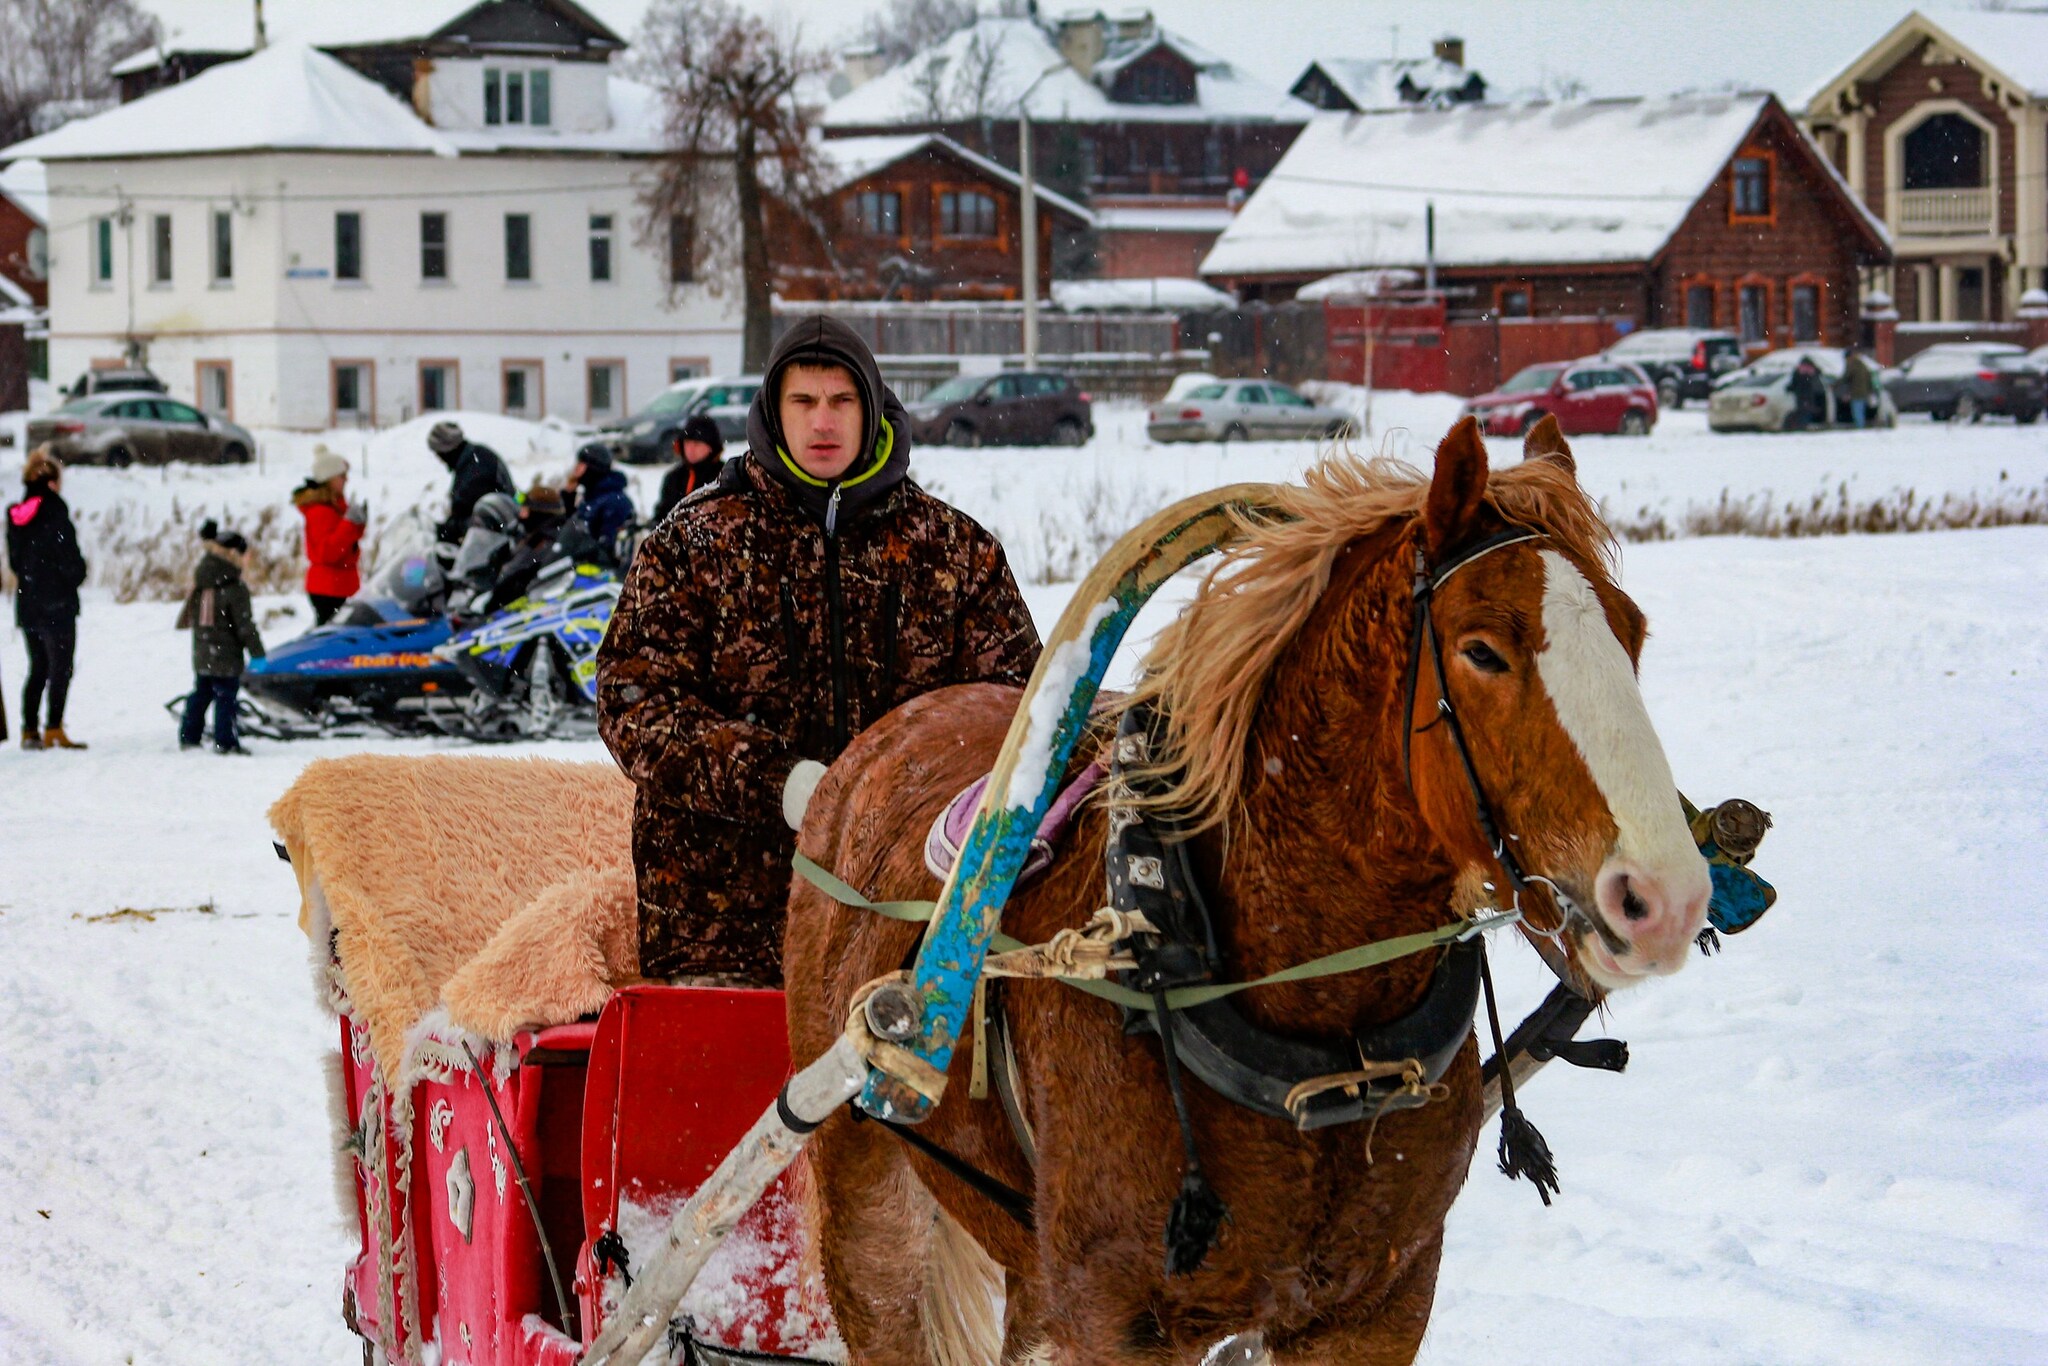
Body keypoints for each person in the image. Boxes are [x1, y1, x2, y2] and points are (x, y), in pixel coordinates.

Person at [597, 314, 1042, 984]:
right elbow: (635, 706)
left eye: (841, 402)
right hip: (724, 930)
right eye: (802, 402)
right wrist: (781, 784)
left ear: (873, 409)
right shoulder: (694, 544)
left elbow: (1018, 712)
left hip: (909, 923)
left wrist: (913, 794)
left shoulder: (953, 552)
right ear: (774, 414)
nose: (823, 423)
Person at [6, 447, 88, 751]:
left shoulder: (17, 515)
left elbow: (15, 563)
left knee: (37, 667)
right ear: (53, 481)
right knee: (61, 668)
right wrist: (76, 574)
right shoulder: (56, 511)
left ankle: (29, 731)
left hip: (28, 603)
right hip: (58, 604)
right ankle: (53, 728)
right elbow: (70, 561)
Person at [176, 521, 266, 755]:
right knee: (226, 698)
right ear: (234, 555)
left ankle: (189, 735)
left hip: (203, 651)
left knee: (202, 692)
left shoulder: (203, 579)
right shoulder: (234, 587)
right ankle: (225, 741)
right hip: (226, 654)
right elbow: (245, 625)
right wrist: (258, 653)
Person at [293, 445, 366, 624]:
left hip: (340, 585)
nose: (346, 480)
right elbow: (329, 552)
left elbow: (347, 543)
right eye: (341, 476)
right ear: (329, 479)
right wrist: (350, 523)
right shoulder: (320, 511)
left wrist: (359, 523)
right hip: (329, 589)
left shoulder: (336, 506)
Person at [429, 420, 514, 545]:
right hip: (496, 531)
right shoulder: (474, 457)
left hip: (493, 540)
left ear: (447, 449)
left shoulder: (475, 468)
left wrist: (442, 532)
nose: (439, 459)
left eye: (439, 454)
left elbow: (470, 515)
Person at [563, 441, 636, 560]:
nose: (575, 468)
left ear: (593, 467)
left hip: (600, 571)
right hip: (579, 566)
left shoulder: (615, 502)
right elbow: (570, 532)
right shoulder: (593, 497)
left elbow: (608, 546)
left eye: (581, 464)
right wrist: (568, 496)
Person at [654, 414, 725, 524]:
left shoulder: (724, 476)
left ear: (711, 447)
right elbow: (662, 516)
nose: (690, 449)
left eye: (696, 444)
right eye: (687, 443)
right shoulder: (673, 478)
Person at [1788, 354, 1827, 429]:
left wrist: (1789, 389)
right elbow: (1819, 375)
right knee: (1808, 411)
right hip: (1809, 395)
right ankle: (1805, 424)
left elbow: (1793, 384)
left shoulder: (1798, 371)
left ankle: (1802, 425)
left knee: (1802, 411)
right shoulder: (1812, 371)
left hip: (1800, 395)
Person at [1843, 346, 1877, 429]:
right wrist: (1870, 390)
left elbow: (1845, 377)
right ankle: (1861, 425)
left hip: (1856, 392)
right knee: (1861, 411)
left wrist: (1834, 385)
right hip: (1864, 392)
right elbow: (1869, 377)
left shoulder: (1851, 365)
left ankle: (1859, 427)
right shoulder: (1862, 364)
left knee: (1857, 411)